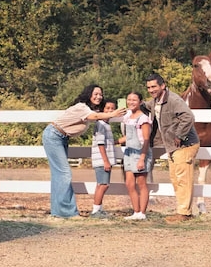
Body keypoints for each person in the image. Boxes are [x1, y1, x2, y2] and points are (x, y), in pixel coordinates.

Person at [43, 85, 126, 218]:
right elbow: (96, 116)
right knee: (64, 173)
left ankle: (58, 211)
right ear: (89, 94)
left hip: (62, 138)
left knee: (59, 175)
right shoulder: (82, 107)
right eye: (96, 94)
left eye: (100, 94)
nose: (99, 96)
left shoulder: (87, 109)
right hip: (54, 136)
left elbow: (97, 115)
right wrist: (113, 113)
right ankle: (67, 212)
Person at [144, 73, 200, 223]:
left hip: (185, 144)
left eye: (154, 86)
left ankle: (184, 213)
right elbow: (145, 106)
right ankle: (183, 211)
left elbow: (188, 117)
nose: (151, 90)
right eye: (149, 87)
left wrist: (179, 135)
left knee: (183, 179)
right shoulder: (156, 101)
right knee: (176, 179)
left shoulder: (174, 100)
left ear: (162, 85)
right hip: (174, 147)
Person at [118, 91, 152, 220]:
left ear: (140, 102)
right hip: (129, 152)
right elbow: (128, 137)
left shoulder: (143, 119)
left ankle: (142, 213)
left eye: (134, 100)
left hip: (140, 152)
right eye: (129, 99)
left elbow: (146, 139)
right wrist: (114, 142)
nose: (131, 102)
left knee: (141, 183)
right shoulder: (128, 117)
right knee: (129, 184)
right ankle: (136, 211)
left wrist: (142, 158)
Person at [90, 99, 118, 218]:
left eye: (112, 108)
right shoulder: (100, 124)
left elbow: (107, 142)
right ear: (102, 110)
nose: (110, 111)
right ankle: (96, 210)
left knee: (101, 184)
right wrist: (106, 161)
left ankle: (98, 209)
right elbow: (100, 144)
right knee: (104, 184)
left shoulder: (105, 125)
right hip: (102, 160)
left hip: (103, 159)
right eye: (107, 108)